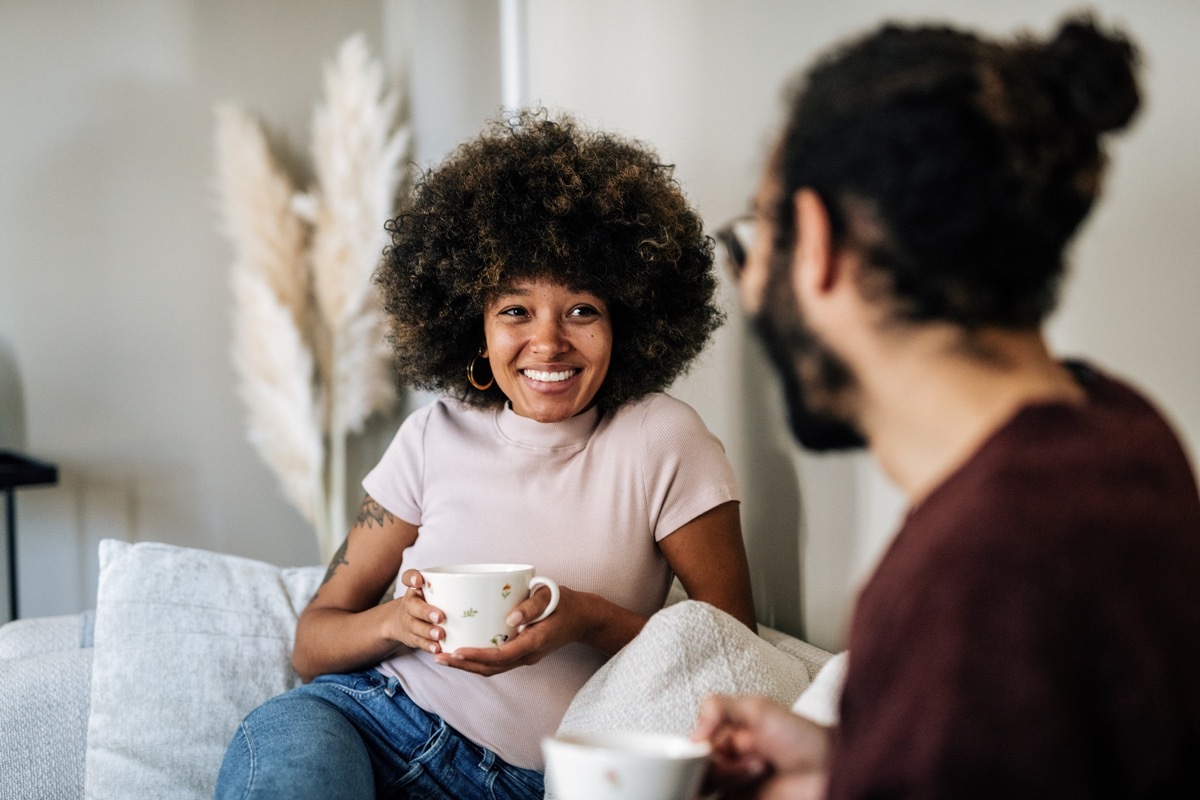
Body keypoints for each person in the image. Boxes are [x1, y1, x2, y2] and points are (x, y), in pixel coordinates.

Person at [693, 13, 1200, 799]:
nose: (751, 286)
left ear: (819, 243)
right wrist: (853, 761)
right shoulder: (1121, 428)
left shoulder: (978, 575)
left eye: (753, 244)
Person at [214, 112, 757, 800]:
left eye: (582, 309)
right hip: (368, 724)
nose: (549, 343)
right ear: (474, 323)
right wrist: (395, 623)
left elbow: (735, 652)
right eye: (516, 311)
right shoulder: (430, 436)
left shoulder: (665, 440)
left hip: (534, 784)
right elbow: (312, 642)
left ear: (628, 320)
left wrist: (585, 620)